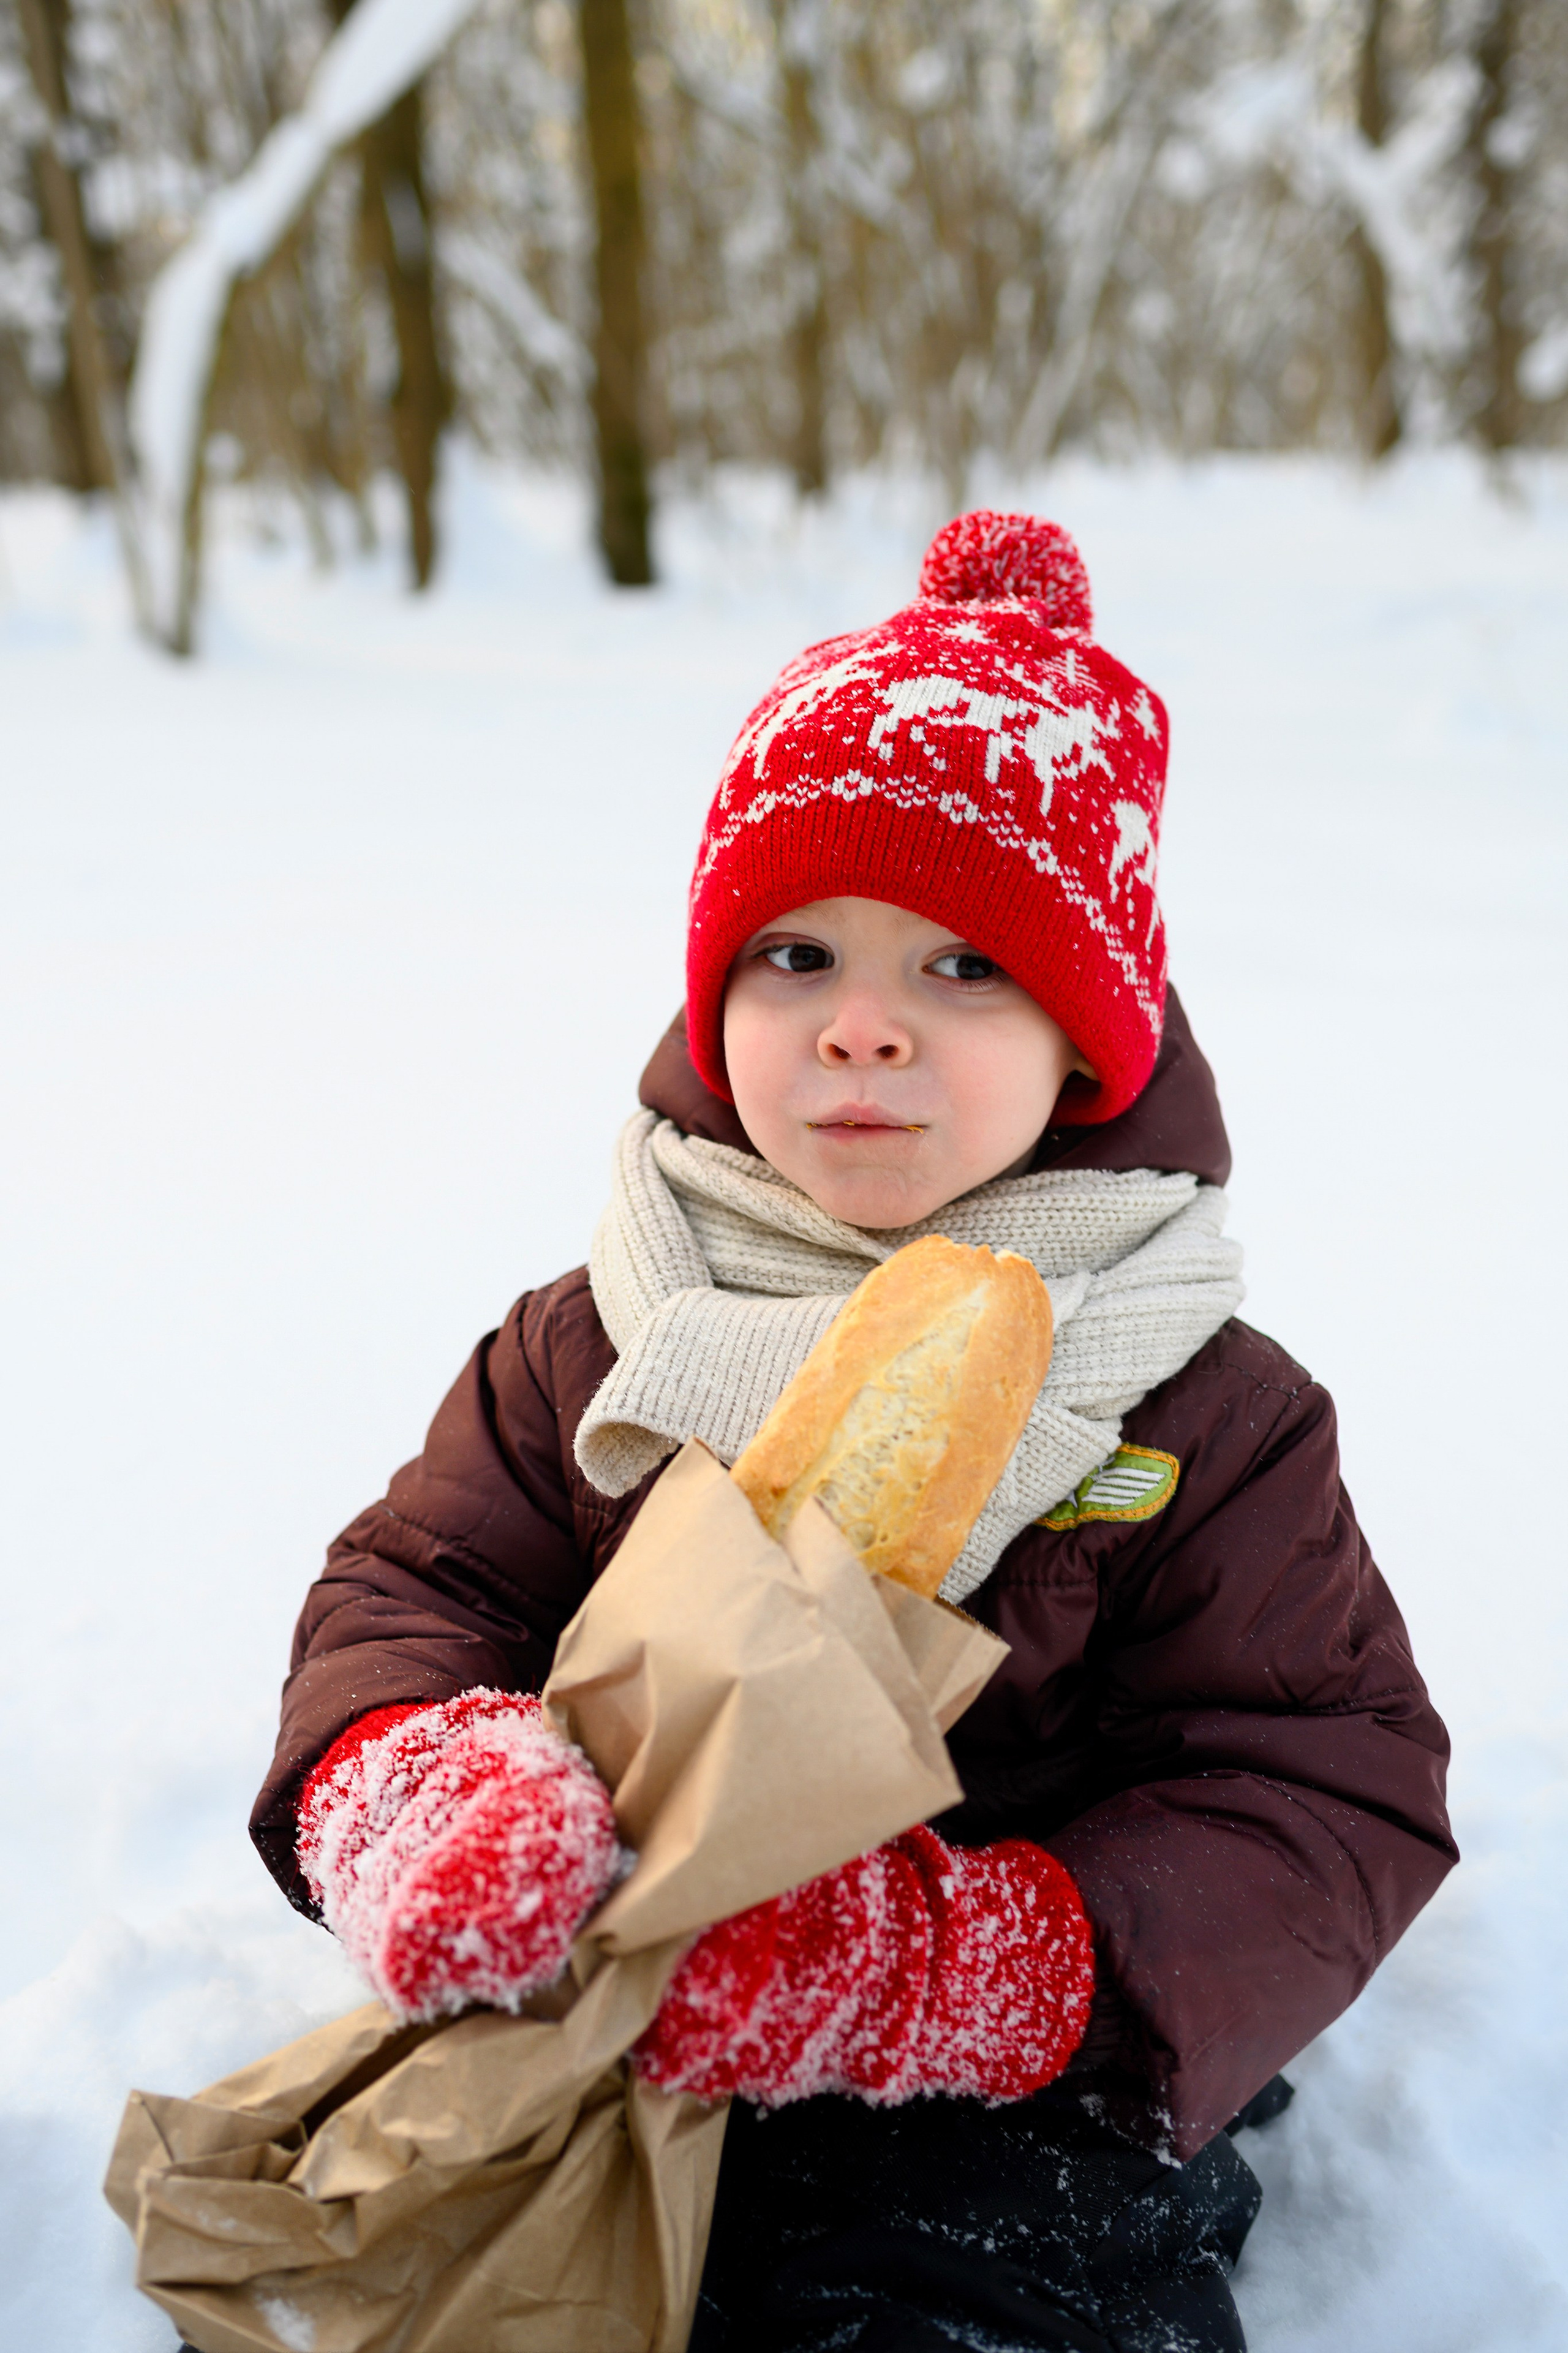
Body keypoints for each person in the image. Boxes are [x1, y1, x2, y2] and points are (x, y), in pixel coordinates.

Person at [252, 512, 1457, 2353]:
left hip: (1025, 2079)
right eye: (798, 954)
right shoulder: (602, 1330)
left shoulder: (1202, 1404)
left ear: (1090, 1041)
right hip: (629, 1990)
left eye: (966, 967)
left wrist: (991, 1965)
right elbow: (417, 1593)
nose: (863, 1031)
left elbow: (1321, 1779)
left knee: (956, 2305)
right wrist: (422, 1783)